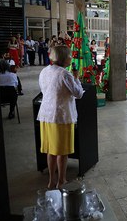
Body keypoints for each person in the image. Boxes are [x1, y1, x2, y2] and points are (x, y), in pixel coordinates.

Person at [37, 45, 84, 189]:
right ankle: (61, 181)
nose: (71, 58)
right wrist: (76, 78)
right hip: (61, 116)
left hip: (46, 115)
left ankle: (51, 180)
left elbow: (44, 90)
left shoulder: (45, 71)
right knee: (62, 152)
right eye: (69, 55)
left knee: (52, 150)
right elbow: (79, 93)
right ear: (64, 58)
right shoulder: (65, 74)